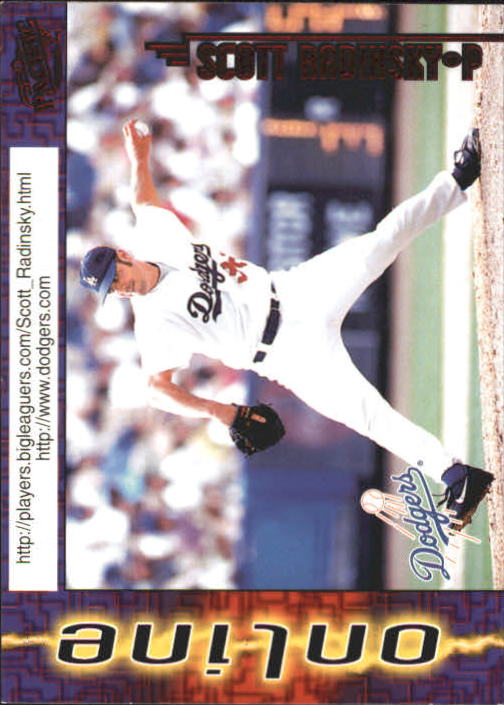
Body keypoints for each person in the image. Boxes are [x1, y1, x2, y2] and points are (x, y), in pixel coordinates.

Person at [80, 120, 493, 530]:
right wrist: (219, 411)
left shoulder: (155, 237)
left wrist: (139, 159)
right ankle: (455, 474)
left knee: (380, 243)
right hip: (286, 356)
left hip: (295, 289)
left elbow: (143, 201)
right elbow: (157, 389)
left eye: (114, 277)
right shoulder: (153, 322)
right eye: (109, 289)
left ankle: (458, 178)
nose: (118, 288)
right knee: (367, 416)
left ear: (123, 256)